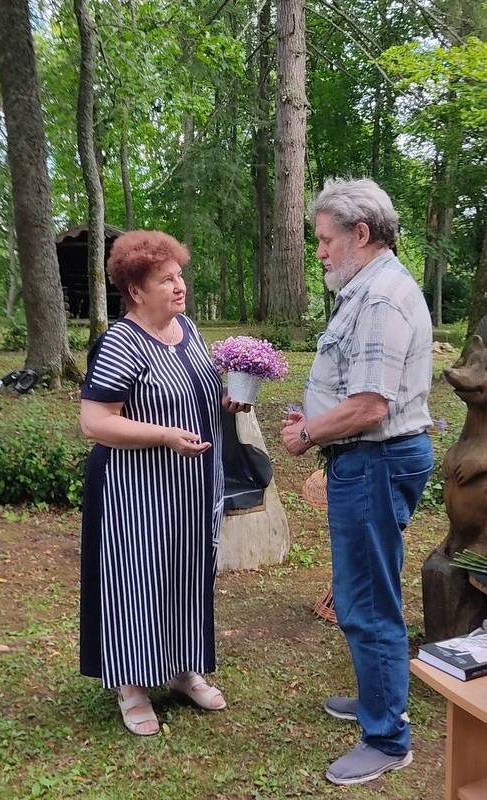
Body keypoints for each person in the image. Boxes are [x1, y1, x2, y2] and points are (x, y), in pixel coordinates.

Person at [281, 178, 434, 785]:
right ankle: (378, 698)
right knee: (364, 592)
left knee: (367, 601)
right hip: (371, 459)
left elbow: (370, 406)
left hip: (376, 460)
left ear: (360, 233)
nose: (318, 251)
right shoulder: (369, 289)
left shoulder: (380, 299)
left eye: (324, 239)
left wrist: (308, 433)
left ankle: (387, 738)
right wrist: (318, 418)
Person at [79, 230, 249, 736]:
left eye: (179, 276)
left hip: (194, 487)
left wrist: (228, 400)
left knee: (188, 574)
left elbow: (198, 394)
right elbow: (95, 422)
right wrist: (165, 436)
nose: (180, 286)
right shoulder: (121, 341)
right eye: (165, 280)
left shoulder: (188, 329)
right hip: (134, 490)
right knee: (137, 580)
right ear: (135, 290)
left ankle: (182, 668)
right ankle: (130, 685)